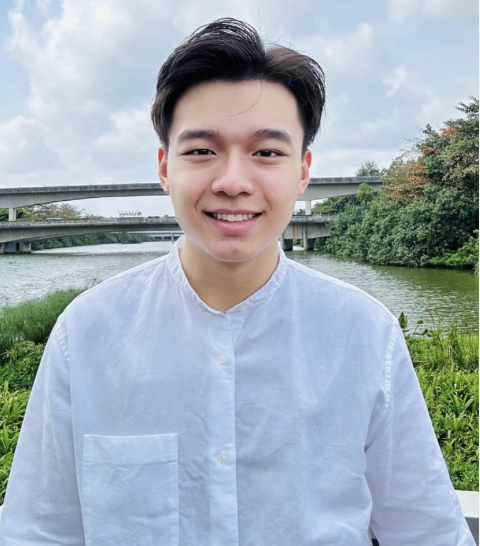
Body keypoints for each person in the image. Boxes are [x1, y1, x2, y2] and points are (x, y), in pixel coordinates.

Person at [0, 18, 474, 546]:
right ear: (164, 168)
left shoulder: (365, 334)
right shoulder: (86, 334)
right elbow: (38, 533)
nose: (232, 182)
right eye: (201, 150)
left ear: (303, 171)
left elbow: (427, 532)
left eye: (266, 152)